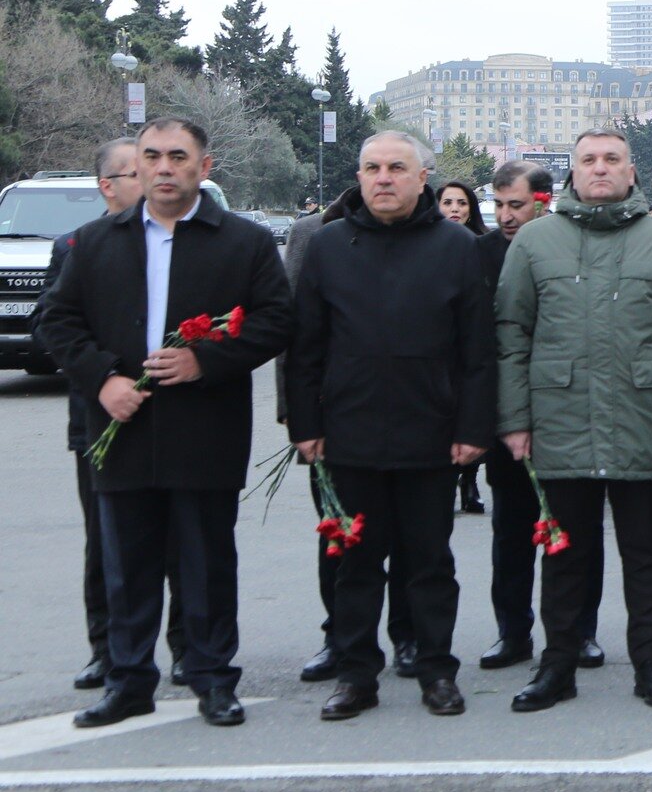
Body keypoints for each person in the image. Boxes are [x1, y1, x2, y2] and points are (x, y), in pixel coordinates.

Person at [40, 117, 293, 729]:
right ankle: (128, 680)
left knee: (206, 562)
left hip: (205, 427)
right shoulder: (95, 243)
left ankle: (212, 679)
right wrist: (103, 379)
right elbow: (56, 319)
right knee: (126, 564)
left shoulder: (243, 243)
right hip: (123, 428)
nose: (163, 167)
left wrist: (204, 358)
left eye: (177, 156)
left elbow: (276, 321)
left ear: (204, 168)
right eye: (151, 156)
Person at [496, 129, 652, 712]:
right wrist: (514, 419)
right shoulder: (536, 242)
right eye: (588, 160)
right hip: (559, 418)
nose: (600, 169)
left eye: (611, 159)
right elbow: (512, 335)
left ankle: (651, 666)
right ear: (572, 172)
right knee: (566, 553)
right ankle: (557, 667)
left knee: (644, 554)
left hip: (643, 417)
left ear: (631, 172)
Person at [289, 132, 494, 721]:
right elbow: (306, 345)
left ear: (420, 177)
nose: (383, 178)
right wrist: (305, 424)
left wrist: (472, 428)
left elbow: (477, 352)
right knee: (352, 563)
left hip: (431, 435)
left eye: (396, 168)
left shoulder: (457, 246)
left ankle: (435, 670)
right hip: (347, 436)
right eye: (372, 167)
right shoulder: (329, 245)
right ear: (359, 177)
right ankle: (356, 675)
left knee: (430, 563)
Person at [34, 138, 186, 692]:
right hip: (102, 421)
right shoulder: (75, 245)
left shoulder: (184, 240)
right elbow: (46, 325)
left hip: (180, 418)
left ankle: (188, 648)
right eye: (136, 170)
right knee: (109, 544)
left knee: (183, 541)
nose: (154, 178)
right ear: (108, 186)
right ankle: (107, 649)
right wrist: (104, 372)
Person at [475, 162, 605, 673]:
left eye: (516, 204)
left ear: (543, 200)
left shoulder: (573, 246)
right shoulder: (479, 254)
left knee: (578, 532)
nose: (506, 216)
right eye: (500, 205)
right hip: (509, 417)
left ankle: (580, 632)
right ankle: (513, 632)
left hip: (570, 413)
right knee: (511, 533)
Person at [433, 178, 490, 514]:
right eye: (448, 203)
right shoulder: (427, 245)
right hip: (439, 348)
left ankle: (469, 481)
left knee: (470, 415)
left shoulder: (480, 244)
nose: (455, 209)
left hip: (470, 345)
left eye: (461, 204)